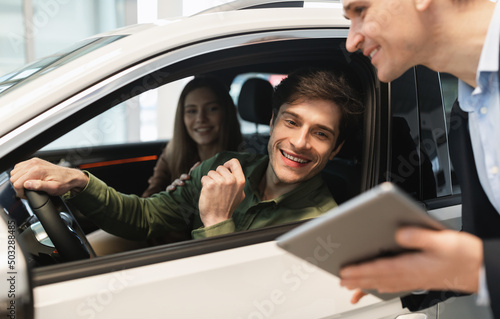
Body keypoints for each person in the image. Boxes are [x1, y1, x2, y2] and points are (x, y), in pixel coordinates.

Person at [10, 68, 364, 242]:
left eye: (320, 134)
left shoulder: (323, 228)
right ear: (272, 122)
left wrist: (216, 221)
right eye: (291, 121)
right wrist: (80, 181)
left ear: (336, 150)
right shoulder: (223, 165)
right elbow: (146, 217)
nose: (300, 142)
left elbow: (239, 307)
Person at [340, 0, 500, 319]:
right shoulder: (468, 115)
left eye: (360, 11)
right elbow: (486, 246)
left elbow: (483, 260)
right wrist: (423, 266)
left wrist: (479, 265)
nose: (351, 40)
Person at [142, 76, 243, 197]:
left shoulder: (245, 158)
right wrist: (169, 198)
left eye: (212, 109)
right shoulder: (171, 153)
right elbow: (148, 202)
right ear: (182, 116)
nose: (201, 119)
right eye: (192, 111)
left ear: (226, 112)